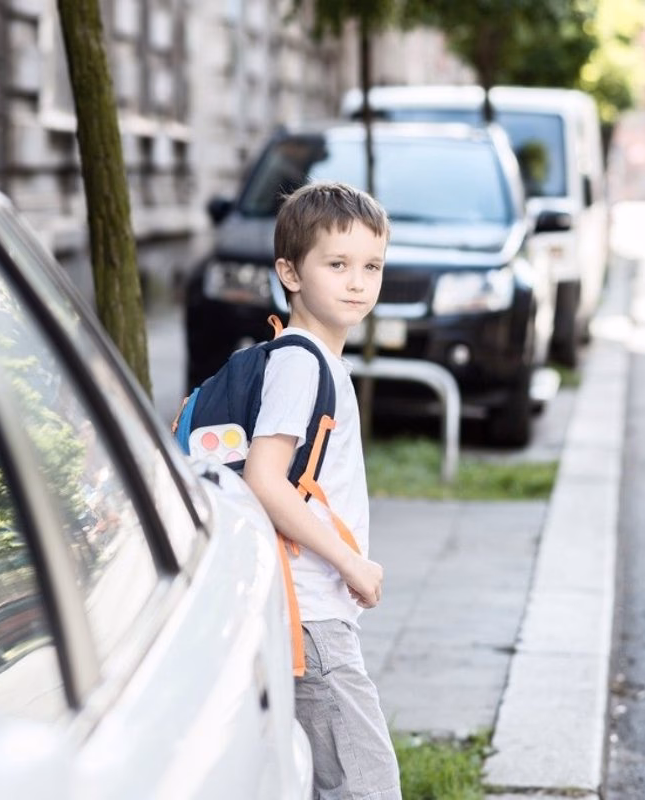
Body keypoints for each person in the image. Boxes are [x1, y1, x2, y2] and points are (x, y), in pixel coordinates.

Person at [243, 181, 401, 800]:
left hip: (312, 611)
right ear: (291, 271)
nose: (357, 282)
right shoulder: (301, 362)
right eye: (337, 265)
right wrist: (349, 562)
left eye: (371, 266)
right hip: (310, 613)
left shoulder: (317, 361)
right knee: (367, 785)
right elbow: (265, 480)